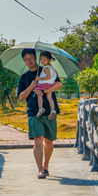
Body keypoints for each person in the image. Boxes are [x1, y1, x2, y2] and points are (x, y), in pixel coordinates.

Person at [17, 48, 62, 179]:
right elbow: (20, 97)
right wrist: (32, 86)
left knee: (49, 142)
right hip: (33, 112)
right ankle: (40, 169)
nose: (29, 61)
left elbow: (58, 85)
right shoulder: (24, 77)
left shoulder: (46, 69)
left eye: (31, 57)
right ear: (24, 61)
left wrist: (44, 90)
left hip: (49, 111)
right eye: (26, 59)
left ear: (35, 57)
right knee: (38, 141)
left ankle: (46, 165)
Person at [34, 51, 58, 120]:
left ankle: (41, 108)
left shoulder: (46, 68)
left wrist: (39, 78)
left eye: (44, 59)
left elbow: (49, 77)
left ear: (49, 60)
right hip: (50, 84)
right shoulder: (52, 68)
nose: (42, 61)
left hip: (45, 84)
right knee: (49, 97)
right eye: (41, 59)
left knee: (39, 95)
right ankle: (53, 110)